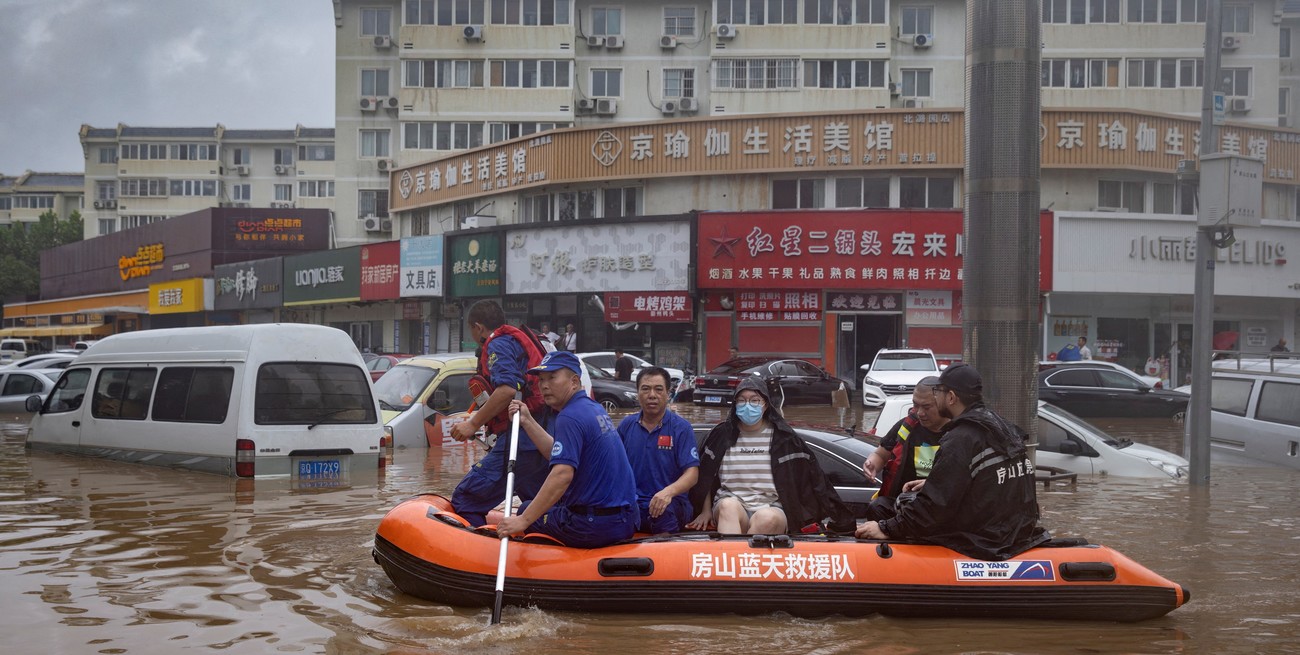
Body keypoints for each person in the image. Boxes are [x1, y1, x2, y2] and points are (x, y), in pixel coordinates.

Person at [856, 364, 1050, 561]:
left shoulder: (961, 438)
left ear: (950, 397)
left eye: (937, 393)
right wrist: (934, 483)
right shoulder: (1001, 426)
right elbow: (989, 482)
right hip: (1011, 533)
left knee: (903, 505)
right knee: (888, 504)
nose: (923, 409)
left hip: (983, 540)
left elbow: (933, 508)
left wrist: (885, 528)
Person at [497, 351, 638, 548]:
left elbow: (562, 474)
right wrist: (527, 421)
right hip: (624, 520)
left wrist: (523, 521)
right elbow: (556, 453)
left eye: (552, 377)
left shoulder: (569, 417)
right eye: (541, 379)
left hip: (592, 526)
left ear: (574, 381)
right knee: (539, 508)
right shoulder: (592, 408)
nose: (544, 385)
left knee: (525, 510)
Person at [687, 377, 855, 535]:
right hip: (731, 505)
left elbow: (816, 479)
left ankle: (746, 562)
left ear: (765, 404)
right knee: (727, 506)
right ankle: (735, 561)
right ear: (735, 404)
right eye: (742, 400)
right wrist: (705, 510)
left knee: (767, 518)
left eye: (754, 400)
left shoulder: (784, 439)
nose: (748, 405)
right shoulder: (720, 435)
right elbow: (705, 476)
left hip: (773, 508)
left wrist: (842, 520)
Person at [449, 300, 552, 527]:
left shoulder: (498, 344)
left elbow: (507, 388)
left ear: (478, 327)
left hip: (521, 437)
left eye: (471, 330)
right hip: (539, 435)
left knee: (466, 498)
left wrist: (472, 424)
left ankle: (474, 559)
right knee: (537, 503)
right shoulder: (512, 341)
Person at [618, 366, 699, 533]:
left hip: (671, 503)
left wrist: (668, 493)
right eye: (645, 389)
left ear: (668, 394)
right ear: (637, 393)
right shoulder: (626, 426)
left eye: (658, 389)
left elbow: (692, 474)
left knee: (663, 514)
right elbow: (614, 467)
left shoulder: (681, 428)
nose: (652, 395)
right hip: (634, 503)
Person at [861, 376, 947, 521]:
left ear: (944, 404)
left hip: (941, 509)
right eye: (915, 405)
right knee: (877, 507)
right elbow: (881, 455)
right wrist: (871, 464)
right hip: (904, 505)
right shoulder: (906, 427)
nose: (919, 412)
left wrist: (933, 484)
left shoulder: (959, 434)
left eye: (926, 407)